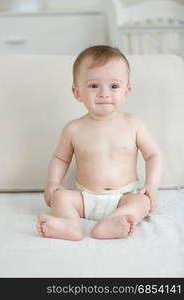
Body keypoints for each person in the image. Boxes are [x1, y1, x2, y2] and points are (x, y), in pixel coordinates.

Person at [37, 45, 162, 241]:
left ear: (126, 91)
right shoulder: (74, 128)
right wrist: (53, 183)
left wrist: (152, 185)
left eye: (114, 86)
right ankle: (69, 224)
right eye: (94, 86)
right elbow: (60, 158)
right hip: (84, 198)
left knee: (143, 203)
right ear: (77, 92)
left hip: (124, 197)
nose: (104, 93)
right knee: (60, 198)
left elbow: (153, 155)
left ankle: (114, 222)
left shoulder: (134, 124)